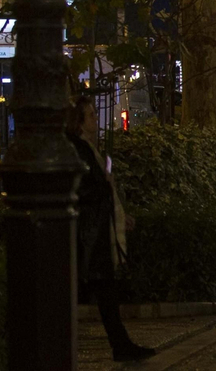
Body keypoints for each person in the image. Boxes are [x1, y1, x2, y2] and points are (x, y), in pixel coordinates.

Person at [69, 95, 154, 362]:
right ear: (80, 122)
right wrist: (105, 184)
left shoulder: (86, 149)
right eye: (91, 115)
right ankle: (120, 345)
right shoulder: (78, 150)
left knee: (104, 291)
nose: (96, 119)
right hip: (90, 234)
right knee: (97, 290)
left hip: (96, 231)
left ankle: (121, 344)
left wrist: (119, 215)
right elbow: (86, 189)